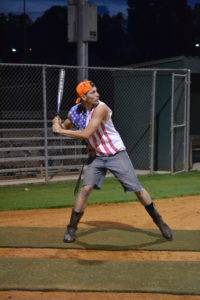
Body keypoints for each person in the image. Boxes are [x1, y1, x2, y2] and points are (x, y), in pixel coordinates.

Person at [52, 80, 173, 243]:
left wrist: (60, 130)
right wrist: (57, 125)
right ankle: (71, 229)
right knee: (86, 189)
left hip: (116, 154)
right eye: (93, 92)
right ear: (83, 97)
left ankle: (160, 222)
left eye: (96, 91)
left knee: (137, 189)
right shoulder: (75, 112)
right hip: (96, 157)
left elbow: (87, 133)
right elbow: (65, 127)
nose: (97, 94)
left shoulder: (101, 108)